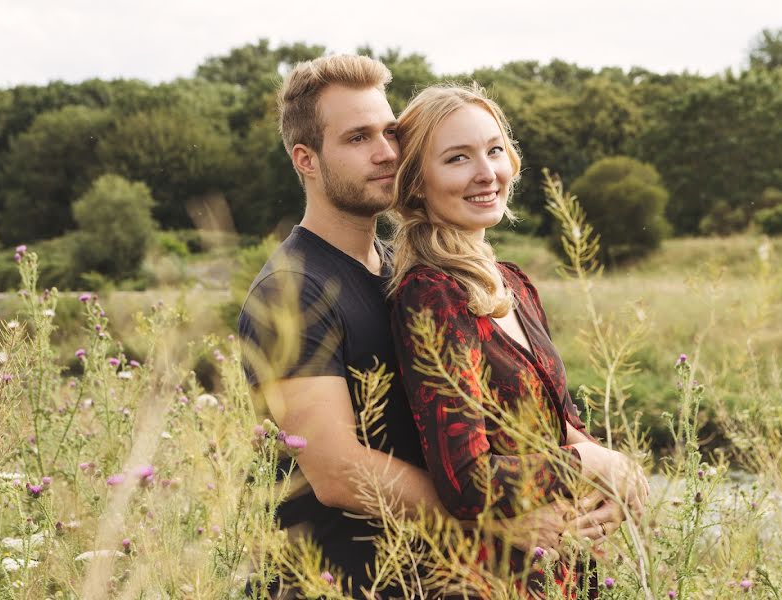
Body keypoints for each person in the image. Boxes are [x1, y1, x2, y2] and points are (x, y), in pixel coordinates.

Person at [238, 55, 620, 598]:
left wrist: (599, 469)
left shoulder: (409, 268)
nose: (386, 152)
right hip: (345, 582)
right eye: (357, 139)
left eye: (390, 132)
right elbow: (336, 471)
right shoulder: (292, 288)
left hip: (440, 577)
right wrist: (491, 520)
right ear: (307, 160)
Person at [387, 84, 649, 597]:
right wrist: (589, 464)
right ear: (417, 183)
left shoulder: (512, 281)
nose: (486, 172)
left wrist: (616, 478)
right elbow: (467, 482)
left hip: (560, 571)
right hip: (489, 579)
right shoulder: (432, 296)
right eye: (458, 158)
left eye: (494, 149)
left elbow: (562, 425)